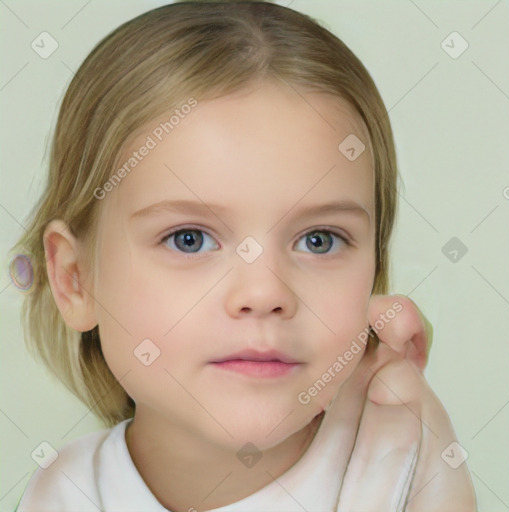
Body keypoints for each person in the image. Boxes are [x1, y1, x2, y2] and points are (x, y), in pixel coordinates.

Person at [11, 1, 476, 510]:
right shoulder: (65, 491)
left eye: (319, 240)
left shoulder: (400, 469)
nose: (264, 293)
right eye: (189, 239)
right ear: (76, 280)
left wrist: (426, 449)